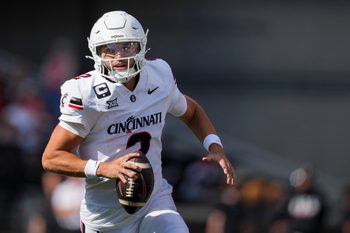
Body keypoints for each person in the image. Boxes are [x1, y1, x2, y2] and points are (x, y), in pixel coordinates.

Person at [42, 10, 236, 233]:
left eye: (127, 46)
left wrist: (214, 145)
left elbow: (191, 111)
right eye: (110, 49)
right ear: (96, 52)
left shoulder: (158, 75)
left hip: (154, 199)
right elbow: (51, 157)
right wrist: (104, 168)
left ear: (141, 45)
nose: (119, 56)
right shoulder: (87, 94)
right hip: (106, 218)